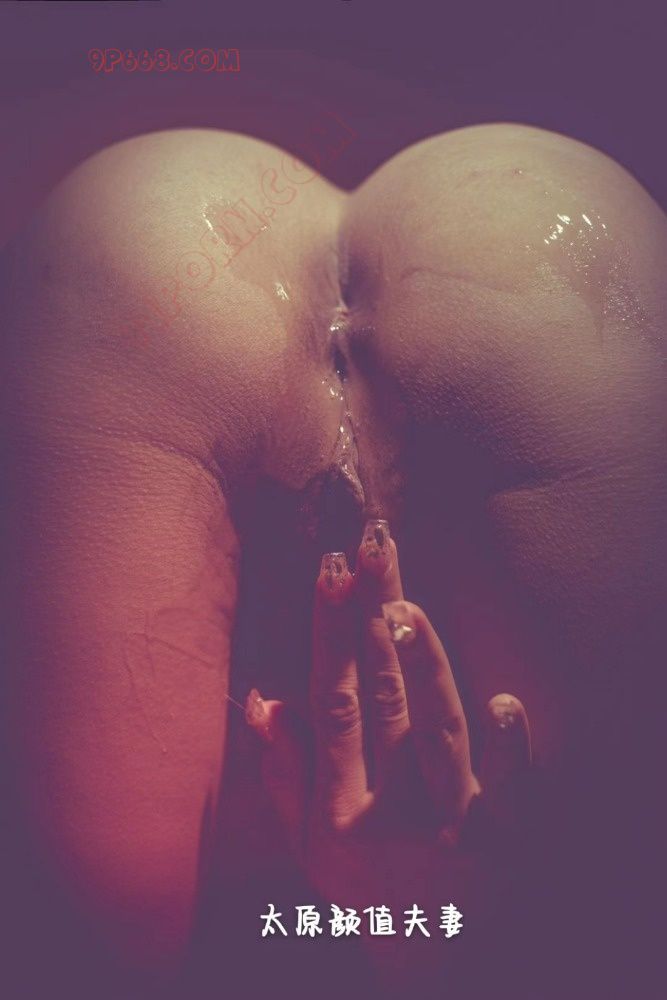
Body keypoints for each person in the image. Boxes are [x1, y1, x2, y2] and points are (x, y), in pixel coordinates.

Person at [1, 121, 665, 999]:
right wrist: (415, 952)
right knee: (591, 892)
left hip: (133, 239)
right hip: (543, 232)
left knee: (100, 948)